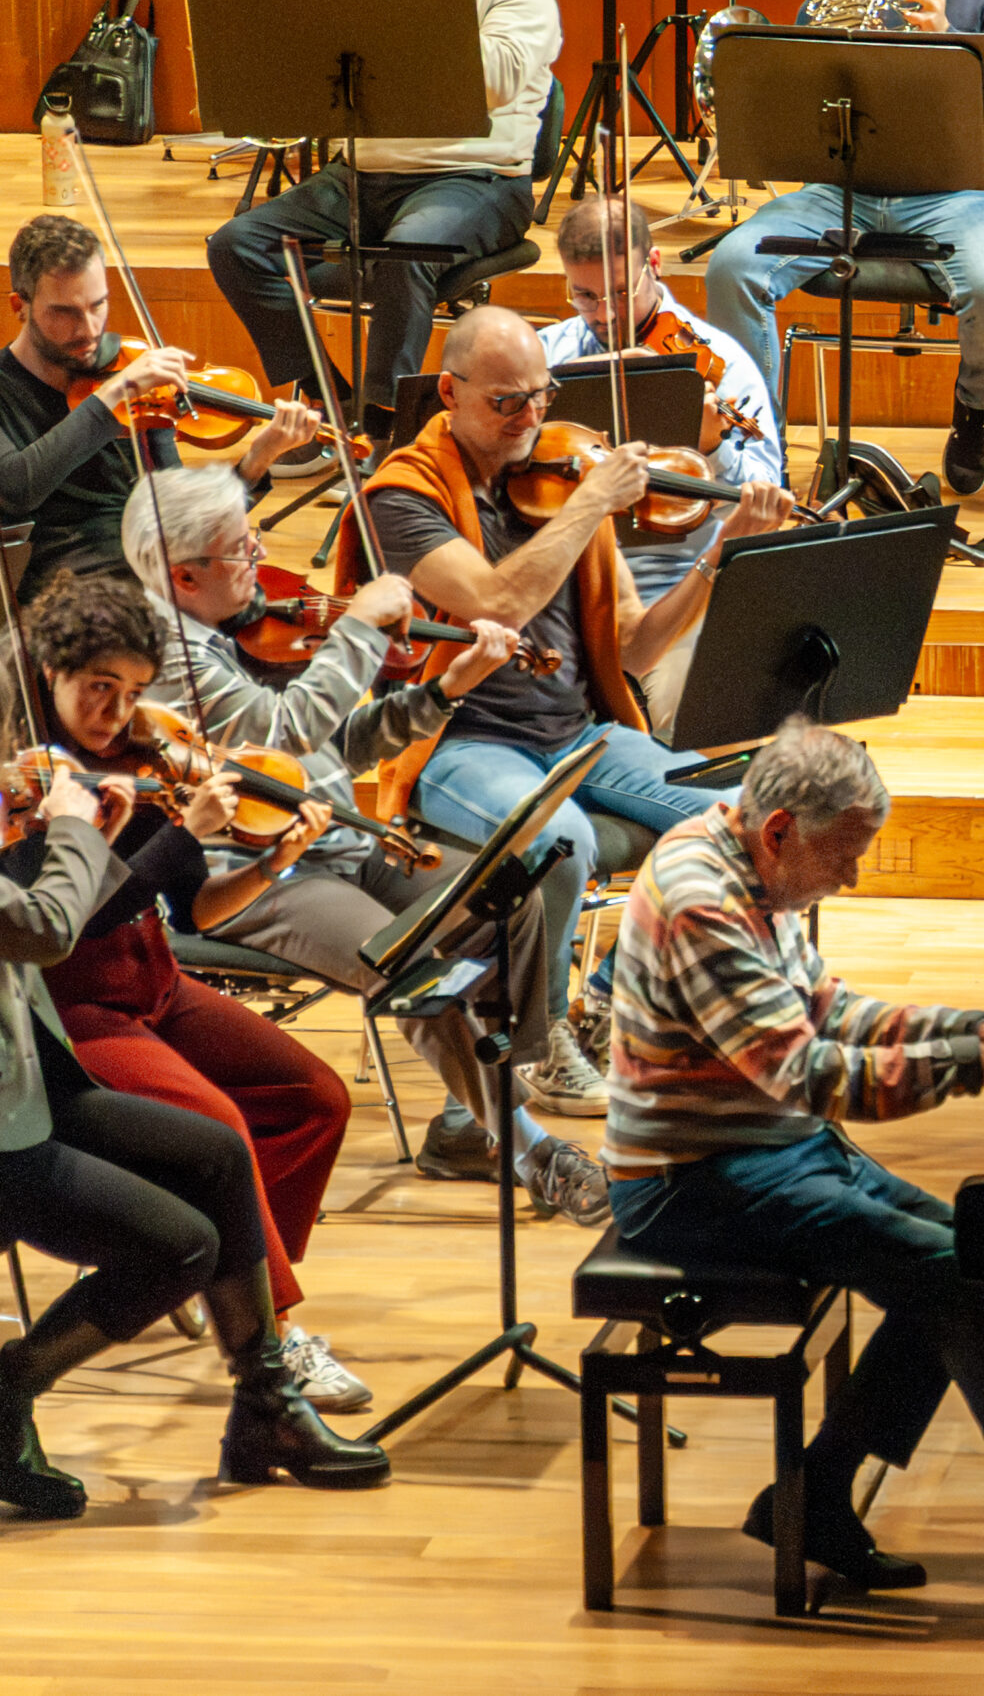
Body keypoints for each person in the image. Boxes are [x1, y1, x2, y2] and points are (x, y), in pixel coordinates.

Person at [604, 716, 984, 1594]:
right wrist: (963, 1066)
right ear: (779, 830)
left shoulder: (752, 866)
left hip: (771, 1150)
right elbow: (810, 1075)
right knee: (951, 1270)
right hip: (689, 1182)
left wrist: (970, 1028)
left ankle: (817, 1495)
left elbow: (826, 1006)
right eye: (845, 856)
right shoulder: (702, 898)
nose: (852, 877)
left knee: (969, 1250)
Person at [117, 464, 601, 1231]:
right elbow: (285, 730)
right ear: (183, 576)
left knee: (512, 898)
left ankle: (475, 1118)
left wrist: (446, 690)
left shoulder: (227, 631)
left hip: (342, 838)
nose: (260, 552)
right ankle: (528, 1146)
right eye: (242, 547)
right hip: (262, 875)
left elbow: (337, 747)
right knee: (410, 961)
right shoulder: (164, 657)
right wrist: (358, 630)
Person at [339, 304, 793, 1117]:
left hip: (580, 732)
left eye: (541, 396)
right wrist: (593, 503)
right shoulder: (401, 497)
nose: (529, 417)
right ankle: (543, 1047)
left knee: (750, 818)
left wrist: (719, 555)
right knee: (561, 841)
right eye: (506, 402)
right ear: (449, 392)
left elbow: (633, 653)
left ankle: (609, 1001)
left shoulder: (562, 470)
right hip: (458, 741)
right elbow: (496, 603)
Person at [6, 573, 372, 1407]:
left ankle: (236, 1286)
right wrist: (179, 830)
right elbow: (77, 922)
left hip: (159, 985)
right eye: (99, 687)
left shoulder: (148, 760)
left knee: (313, 1097)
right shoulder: (31, 791)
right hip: (78, 1012)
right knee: (219, 1126)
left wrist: (274, 862)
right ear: (50, 674)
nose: (117, 711)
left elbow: (196, 906)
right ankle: (274, 1337)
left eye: (134, 691)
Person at [0, 769, 388, 1518]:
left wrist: (98, 836)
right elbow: (43, 930)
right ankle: (10, 1387)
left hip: (30, 1082)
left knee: (216, 1152)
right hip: (10, 1120)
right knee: (184, 1246)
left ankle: (267, 1405)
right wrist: (75, 830)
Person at [701, 0, 984, 497]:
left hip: (957, 194)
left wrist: (950, 38)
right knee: (732, 267)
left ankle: (976, 408)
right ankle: (761, 443)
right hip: (839, 187)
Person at [204, 0, 559, 445]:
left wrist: (405, 12)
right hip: (360, 175)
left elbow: (498, 80)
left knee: (404, 253)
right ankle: (328, 404)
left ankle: (382, 425)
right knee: (236, 246)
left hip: (477, 177)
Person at [537, 195, 784, 736]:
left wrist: (713, 449)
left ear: (653, 263)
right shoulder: (544, 358)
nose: (604, 314)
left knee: (692, 712)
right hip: (559, 590)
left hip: (676, 589)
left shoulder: (720, 363)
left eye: (619, 293)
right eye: (584, 296)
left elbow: (763, 500)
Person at [3, 215, 316, 595]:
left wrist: (257, 460)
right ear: (19, 305)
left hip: (155, 570)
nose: (88, 329)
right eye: (64, 312)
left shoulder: (129, 368)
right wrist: (111, 399)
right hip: (71, 587)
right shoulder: (21, 389)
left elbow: (179, 520)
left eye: (98, 305)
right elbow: (16, 489)